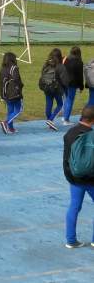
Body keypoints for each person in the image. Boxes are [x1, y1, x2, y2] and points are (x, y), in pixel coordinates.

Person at [62, 105, 94, 248]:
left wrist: (70, 176)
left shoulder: (69, 133)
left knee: (74, 207)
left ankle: (71, 240)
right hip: (91, 179)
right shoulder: (91, 136)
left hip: (74, 178)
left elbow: (66, 159)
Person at [41, 48, 69, 131]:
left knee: (48, 104)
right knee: (60, 104)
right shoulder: (60, 66)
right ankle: (50, 120)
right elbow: (64, 80)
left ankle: (49, 121)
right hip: (57, 89)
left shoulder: (46, 64)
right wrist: (66, 89)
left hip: (47, 87)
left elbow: (42, 75)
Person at [0, 51, 24, 134]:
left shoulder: (2, 69)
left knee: (10, 111)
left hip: (6, 94)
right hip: (15, 93)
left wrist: (2, 96)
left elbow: (1, 83)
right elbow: (17, 80)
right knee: (19, 110)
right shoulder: (14, 68)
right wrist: (21, 86)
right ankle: (6, 122)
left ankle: (11, 128)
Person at [64, 47, 84, 126]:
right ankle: (66, 119)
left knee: (66, 99)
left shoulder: (66, 59)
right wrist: (81, 87)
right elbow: (80, 76)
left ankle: (65, 116)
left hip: (64, 82)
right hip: (72, 84)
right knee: (70, 100)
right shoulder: (79, 62)